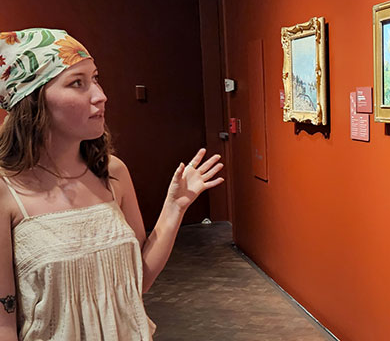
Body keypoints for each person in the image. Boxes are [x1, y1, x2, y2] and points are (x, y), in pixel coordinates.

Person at [0, 28, 224, 340]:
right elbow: (4, 320)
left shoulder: (112, 173)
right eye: (77, 83)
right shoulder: (7, 191)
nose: (100, 94)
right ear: (33, 101)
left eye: (95, 78)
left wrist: (175, 207)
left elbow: (136, 283)